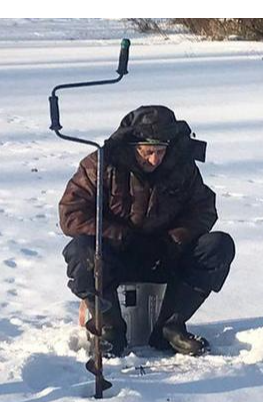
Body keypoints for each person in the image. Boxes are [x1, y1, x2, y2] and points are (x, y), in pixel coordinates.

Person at [59, 106, 236, 357]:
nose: (155, 159)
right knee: (80, 251)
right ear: (133, 146)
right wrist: (121, 236)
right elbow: (71, 213)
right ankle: (110, 329)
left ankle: (170, 327)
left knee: (218, 246)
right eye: (148, 152)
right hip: (114, 257)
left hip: (164, 254)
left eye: (161, 151)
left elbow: (204, 210)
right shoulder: (101, 164)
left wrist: (172, 240)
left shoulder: (182, 167)